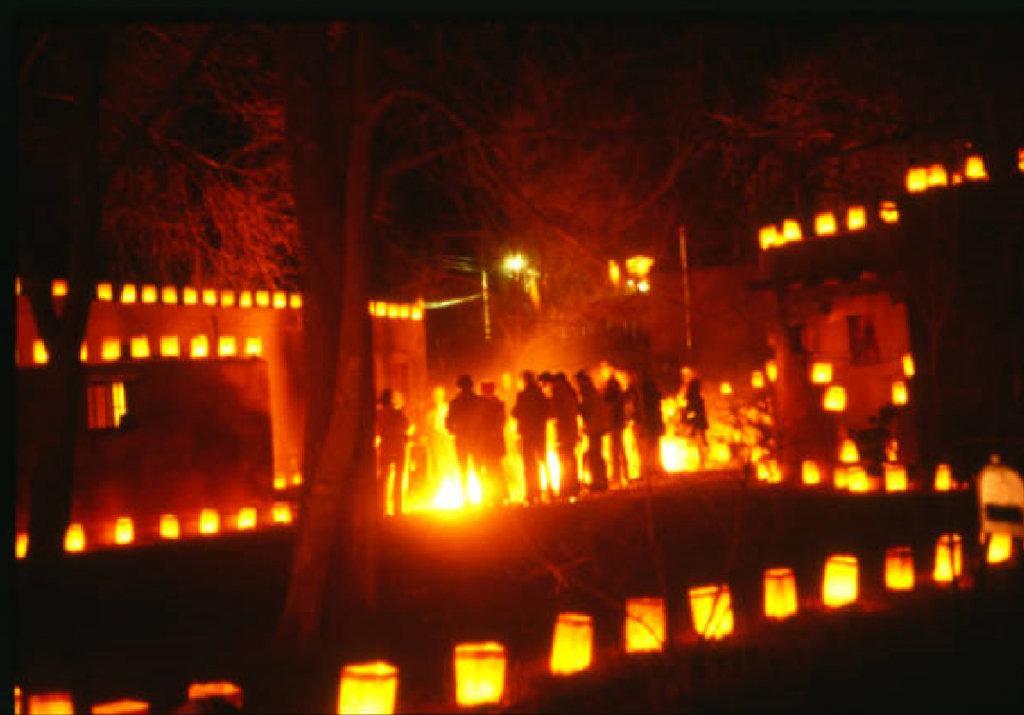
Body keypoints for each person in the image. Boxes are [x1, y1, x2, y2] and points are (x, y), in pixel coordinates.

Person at [512, 370, 550, 505]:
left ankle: (532, 492)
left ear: (524, 380)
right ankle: (547, 489)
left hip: (528, 432)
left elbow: (515, 412)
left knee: (529, 464)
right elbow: (547, 410)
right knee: (543, 461)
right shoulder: (539, 394)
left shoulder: (522, 395)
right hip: (540, 431)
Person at [445, 374, 484, 505]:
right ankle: (484, 495)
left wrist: (453, 431)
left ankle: (466, 498)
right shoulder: (478, 400)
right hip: (477, 437)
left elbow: (448, 422)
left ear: (459, 386)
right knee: (479, 466)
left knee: (463, 468)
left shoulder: (455, 402)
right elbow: (485, 419)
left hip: (462, 438)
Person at [375, 388, 410, 516]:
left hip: (385, 447)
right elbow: (406, 426)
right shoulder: (398, 413)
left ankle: (382, 508)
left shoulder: (377, 414)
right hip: (398, 446)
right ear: (391, 400)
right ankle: (397, 509)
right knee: (398, 478)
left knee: (383, 478)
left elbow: (377, 431)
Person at [548, 372, 582, 499]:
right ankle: (572, 486)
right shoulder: (570, 392)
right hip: (570, 430)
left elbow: (557, 412)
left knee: (564, 460)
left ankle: (566, 487)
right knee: (570, 459)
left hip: (564, 431)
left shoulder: (559, 392)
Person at [575, 369, 609, 493]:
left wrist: (579, 408)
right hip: (596, 428)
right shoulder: (591, 391)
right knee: (595, 455)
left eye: (578, 382)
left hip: (595, 428)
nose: (577, 384)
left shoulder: (588, 392)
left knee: (595, 456)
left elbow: (588, 409)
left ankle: (599, 482)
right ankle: (600, 481)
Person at [477, 380, 509, 506]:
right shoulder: (499, 404)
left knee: (489, 470)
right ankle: (501, 494)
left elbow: (481, 424)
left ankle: (491, 495)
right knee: (497, 469)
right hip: (496, 442)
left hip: (487, 442)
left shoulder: (482, 405)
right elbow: (503, 421)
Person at [635, 368, 665, 481]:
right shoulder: (649, 388)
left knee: (648, 446)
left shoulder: (644, 389)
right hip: (653, 422)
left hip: (650, 422)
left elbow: (644, 407)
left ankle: (650, 469)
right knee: (652, 445)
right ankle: (653, 468)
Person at [603, 371, 629, 486]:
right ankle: (625, 475)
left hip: (614, 423)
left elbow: (607, 407)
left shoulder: (610, 395)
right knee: (620, 449)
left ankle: (617, 476)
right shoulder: (619, 394)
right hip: (619, 422)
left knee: (614, 451)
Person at [681, 368, 709, 468]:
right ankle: (701, 459)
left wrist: (689, 418)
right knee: (699, 440)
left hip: (696, 422)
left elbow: (692, 411)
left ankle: (702, 460)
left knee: (699, 440)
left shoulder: (695, 399)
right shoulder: (697, 399)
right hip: (697, 421)